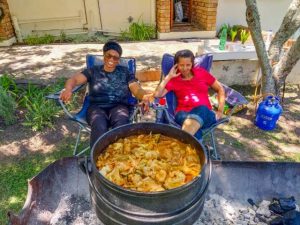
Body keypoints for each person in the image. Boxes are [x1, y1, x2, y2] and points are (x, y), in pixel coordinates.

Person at [60, 41, 152, 147]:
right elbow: (74, 80)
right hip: (96, 107)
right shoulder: (93, 71)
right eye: (109, 56)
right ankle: (96, 158)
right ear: (104, 55)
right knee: (99, 124)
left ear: (118, 60)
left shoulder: (125, 71)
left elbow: (135, 87)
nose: (112, 60)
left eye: (116, 58)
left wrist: (144, 96)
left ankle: (119, 157)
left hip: (119, 106)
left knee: (121, 123)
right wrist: (68, 89)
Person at [154, 49, 225, 139]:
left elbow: (220, 89)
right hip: (182, 114)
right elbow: (157, 94)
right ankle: (194, 148)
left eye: (188, 65)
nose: (185, 68)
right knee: (194, 129)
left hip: (205, 113)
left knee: (202, 109)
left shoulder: (201, 73)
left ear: (192, 64)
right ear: (176, 65)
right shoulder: (174, 80)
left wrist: (220, 111)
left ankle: (180, 143)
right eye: (181, 65)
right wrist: (169, 76)